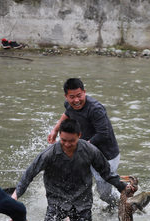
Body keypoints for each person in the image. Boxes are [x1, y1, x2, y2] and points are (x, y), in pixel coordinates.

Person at [14, 119, 134, 221]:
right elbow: (28, 175)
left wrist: (123, 188)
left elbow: (107, 173)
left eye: (71, 141)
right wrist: (15, 196)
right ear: (60, 135)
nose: (67, 144)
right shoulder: (49, 154)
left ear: (79, 136)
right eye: (63, 140)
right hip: (56, 202)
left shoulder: (90, 150)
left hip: (81, 203)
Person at [46, 78, 123, 207]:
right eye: (72, 97)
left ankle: (122, 204)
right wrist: (55, 130)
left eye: (79, 96)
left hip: (106, 156)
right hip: (87, 152)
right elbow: (67, 113)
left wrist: (81, 147)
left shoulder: (95, 109)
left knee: (104, 194)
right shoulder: (70, 105)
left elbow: (103, 134)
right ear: (66, 97)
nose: (76, 100)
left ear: (84, 92)